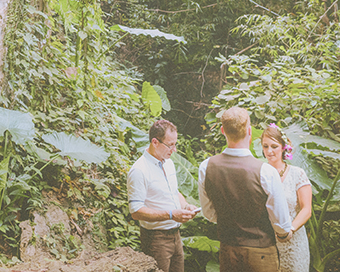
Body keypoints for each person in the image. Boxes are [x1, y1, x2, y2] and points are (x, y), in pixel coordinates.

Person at [198, 107, 293, 272]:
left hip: (228, 250)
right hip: (261, 253)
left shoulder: (206, 167)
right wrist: (285, 234)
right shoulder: (265, 171)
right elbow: (281, 222)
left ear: (222, 131)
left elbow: (209, 213)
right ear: (249, 131)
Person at [127, 119, 200, 272]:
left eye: (175, 144)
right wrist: (171, 214)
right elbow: (136, 211)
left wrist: (186, 206)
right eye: (170, 145)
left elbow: (174, 191)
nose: (174, 150)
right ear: (155, 142)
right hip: (156, 238)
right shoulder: (139, 170)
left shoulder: (169, 163)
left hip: (176, 235)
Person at [261, 124, 312, 272]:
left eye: (274, 146)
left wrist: (290, 230)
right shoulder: (259, 173)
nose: (269, 151)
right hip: (266, 243)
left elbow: (306, 209)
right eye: (265, 146)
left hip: (293, 242)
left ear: (284, 147)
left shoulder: (297, 173)